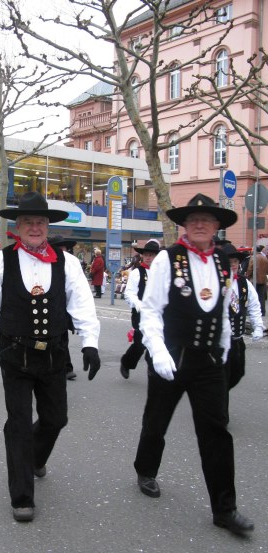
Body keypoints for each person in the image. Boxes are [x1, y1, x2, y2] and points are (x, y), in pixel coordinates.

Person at [0, 192, 101, 522]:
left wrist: (90, 343)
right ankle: (22, 496)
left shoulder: (68, 262)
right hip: (15, 354)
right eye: (28, 221)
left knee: (56, 418)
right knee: (17, 423)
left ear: (47, 226)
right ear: (18, 225)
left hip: (54, 354)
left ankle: (34, 457)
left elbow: (83, 304)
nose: (34, 227)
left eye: (40, 222)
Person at [134, 193, 254, 536]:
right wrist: (157, 351)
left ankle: (225, 509)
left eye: (207, 219)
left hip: (209, 362)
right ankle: (145, 468)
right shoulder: (166, 259)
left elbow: (223, 308)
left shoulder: (221, 260)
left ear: (216, 226)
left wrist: (227, 346)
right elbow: (151, 309)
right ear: (184, 225)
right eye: (193, 219)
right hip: (172, 355)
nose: (200, 224)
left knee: (216, 433)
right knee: (156, 420)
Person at [221, 243, 264, 397]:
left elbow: (254, 305)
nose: (232, 265)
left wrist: (258, 326)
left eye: (235, 262)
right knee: (222, 378)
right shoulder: (215, 282)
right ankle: (220, 415)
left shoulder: (244, 283)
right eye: (229, 261)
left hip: (238, 340)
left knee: (238, 373)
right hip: (221, 342)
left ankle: (218, 394)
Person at [120, 239, 161, 379]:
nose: (149, 257)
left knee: (155, 343)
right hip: (141, 314)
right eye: (147, 254)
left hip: (157, 315)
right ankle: (126, 362)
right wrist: (139, 305)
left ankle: (153, 370)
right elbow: (129, 293)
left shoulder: (162, 273)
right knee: (140, 344)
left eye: (152, 255)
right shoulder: (137, 272)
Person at [48, 235, 78, 381]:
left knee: (62, 339)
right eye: (59, 248)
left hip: (64, 308)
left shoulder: (71, 265)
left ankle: (66, 368)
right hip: (50, 307)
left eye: (64, 247)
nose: (62, 251)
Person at [246, 245, 268, 316]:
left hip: (254, 279)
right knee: (261, 296)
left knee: (253, 296)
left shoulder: (253, 257)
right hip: (263, 279)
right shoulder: (265, 258)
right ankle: (262, 311)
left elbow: (250, 268)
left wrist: (247, 276)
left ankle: (254, 311)